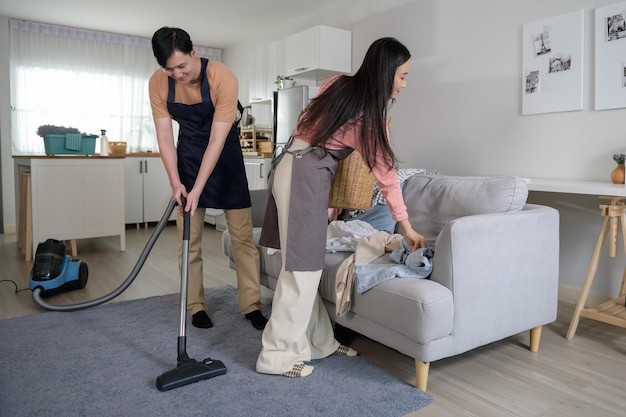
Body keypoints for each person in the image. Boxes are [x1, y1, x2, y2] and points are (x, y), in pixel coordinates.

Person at [256, 37, 427, 378]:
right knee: (301, 272)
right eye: (403, 76)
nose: (405, 85)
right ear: (386, 73)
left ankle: (320, 343)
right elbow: (388, 178)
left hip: (296, 168)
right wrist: (406, 227)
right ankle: (275, 358)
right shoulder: (369, 118)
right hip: (304, 176)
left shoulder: (338, 85)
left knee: (308, 267)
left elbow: (309, 125)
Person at [148, 27, 267, 331]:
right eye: (169, 68)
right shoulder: (158, 83)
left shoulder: (222, 77)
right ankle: (196, 305)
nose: (177, 74)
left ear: (194, 53)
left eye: (182, 66)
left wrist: (199, 188)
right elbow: (164, 135)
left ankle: (252, 306)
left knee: (242, 237)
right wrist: (176, 182)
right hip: (187, 157)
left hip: (225, 157)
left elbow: (216, 139)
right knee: (190, 239)